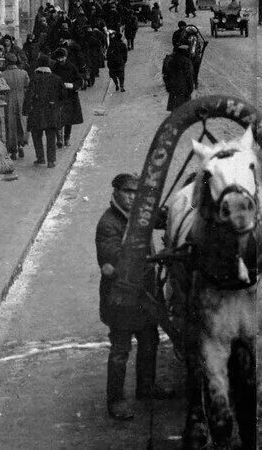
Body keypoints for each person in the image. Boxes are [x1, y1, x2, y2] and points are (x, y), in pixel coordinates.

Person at [96, 173, 168, 421]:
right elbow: (116, 256)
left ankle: (146, 388)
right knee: (120, 350)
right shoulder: (108, 224)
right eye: (128, 193)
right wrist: (153, 258)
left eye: (136, 194)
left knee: (150, 341)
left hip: (144, 296)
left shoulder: (140, 215)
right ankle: (115, 401)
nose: (132, 198)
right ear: (116, 193)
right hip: (122, 298)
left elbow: (164, 217)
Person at [25, 57, 63, 168]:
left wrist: (26, 110)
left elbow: (28, 96)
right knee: (51, 136)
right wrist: (56, 105)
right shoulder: (57, 79)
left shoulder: (34, 79)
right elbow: (63, 95)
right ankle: (51, 161)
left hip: (36, 112)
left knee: (36, 136)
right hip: (52, 112)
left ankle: (40, 158)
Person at [52, 48, 83, 150]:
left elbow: (79, 80)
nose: (60, 60)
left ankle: (67, 138)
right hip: (58, 95)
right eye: (59, 58)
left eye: (62, 57)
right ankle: (59, 139)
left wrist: (73, 85)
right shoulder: (54, 67)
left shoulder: (71, 67)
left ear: (66, 57)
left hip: (70, 96)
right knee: (58, 117)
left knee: (68, 119)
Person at [1, 51, 30, 163]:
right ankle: (21, 145)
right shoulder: (23, 73)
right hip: (21, 100)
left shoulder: (2, 75)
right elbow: (27, 85)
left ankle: (13, 150)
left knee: (10, 125)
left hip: (8, 101)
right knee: (21, 123)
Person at [162, 44, 196, 111]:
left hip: (173, 89)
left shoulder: (171, 61)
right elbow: (189, 77)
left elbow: (166, 75)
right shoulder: (187, 62)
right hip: (184, 90)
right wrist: (190, 88)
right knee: (184, 111)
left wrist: (168, 86)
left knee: (175, 111)